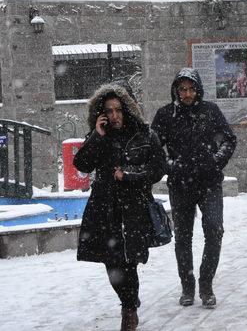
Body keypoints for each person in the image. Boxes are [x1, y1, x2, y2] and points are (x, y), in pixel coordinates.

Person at [74, 83, 166, 331]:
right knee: (112, 262)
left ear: (126, 110)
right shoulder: (99, 136)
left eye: (118, 110)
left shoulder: (144, 135)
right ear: (101, 114)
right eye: (108, 111)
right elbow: (81, 164)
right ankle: (129, 302)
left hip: (133, 208)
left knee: (130, 261)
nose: (114, 116)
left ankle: (129, 310)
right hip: (104, 209)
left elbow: (158, 169)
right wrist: (96, 136)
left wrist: (129, 175)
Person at [151, 68, 237, 308]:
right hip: (180, 185)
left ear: (197, 89)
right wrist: (170, 165)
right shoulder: (166, 115)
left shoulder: (210, 111)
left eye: (190, 89)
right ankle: (187, 287)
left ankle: (206, 284)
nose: (187, 94)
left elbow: (229, 139)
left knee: (214, 229)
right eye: (182, 89)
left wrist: (215, 161)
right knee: (183, 237)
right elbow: (155, 147)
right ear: (176, 91)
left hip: (209, 182)